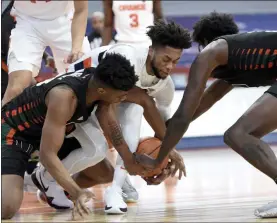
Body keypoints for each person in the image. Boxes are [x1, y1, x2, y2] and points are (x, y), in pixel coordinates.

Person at [34, 19, 191, 214]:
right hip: (75, 96)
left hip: (101, 101)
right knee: (105, 142)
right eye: (166, 59)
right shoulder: (126, 56)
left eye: (175, 62)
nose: (170, 67)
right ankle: (47, 177)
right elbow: (110, 108)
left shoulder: (165, 85)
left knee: (105, 145)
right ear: (151, 50)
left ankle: (115, 189)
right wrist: (133, 160)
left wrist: (164, 157)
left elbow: (163, 124)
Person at [135, 12, 277, 218]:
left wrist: (159, 158)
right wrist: (164, 139)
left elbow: (184, 115)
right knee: (242, 134)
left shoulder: (211, 53)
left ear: (204, 43)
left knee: (239, 135)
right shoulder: (234, 65)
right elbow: (198, 106)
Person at [1, 53, 145, 219]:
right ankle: (41, 180)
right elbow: (47, 155)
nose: (124, 98)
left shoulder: (99, 84)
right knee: (6, 208)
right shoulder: (64, 96)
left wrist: (131, 161)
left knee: (105, 173)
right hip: (14, 133)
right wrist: (76, 192)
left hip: (45, 132)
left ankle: (39, 180)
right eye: (121, 95)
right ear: (102, 90)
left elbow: (112, 129)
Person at [2, 0, 90, 106]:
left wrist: (76, 47)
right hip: (26, 23)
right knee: (17, 88)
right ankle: (4, 121)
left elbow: (81, 10)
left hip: (65, 21)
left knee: (83, 83)